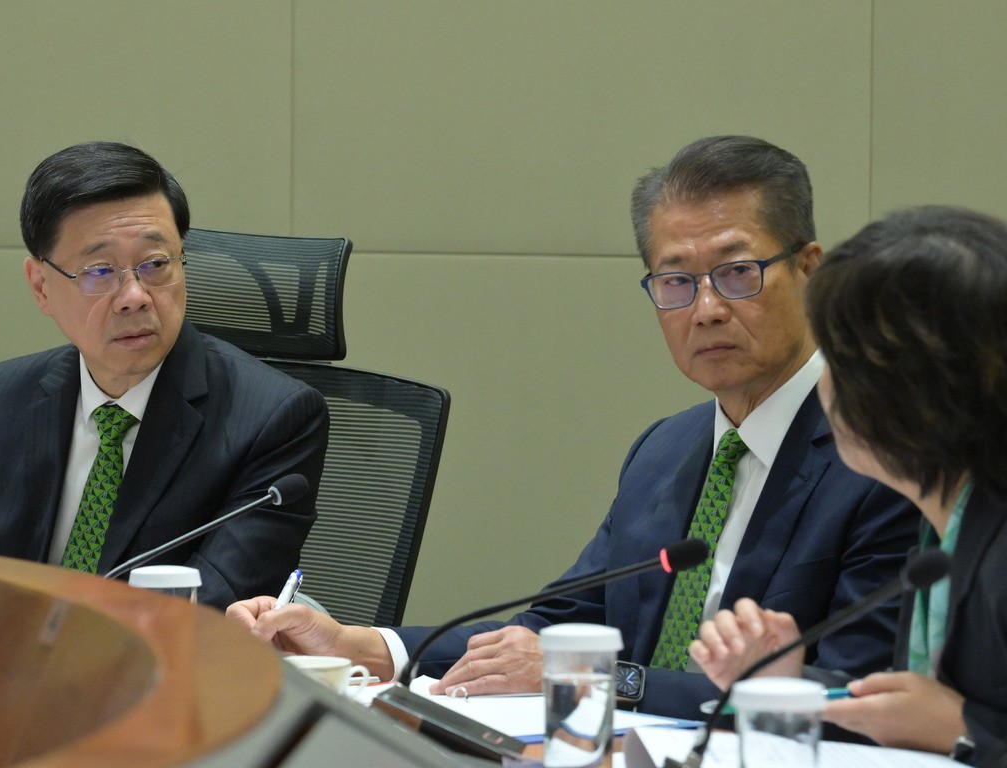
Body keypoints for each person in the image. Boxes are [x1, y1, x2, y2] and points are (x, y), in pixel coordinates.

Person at [226, 135, 919, 720]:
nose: (706, 308)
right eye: (676, 281)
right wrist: (365, 648)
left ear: (810, 271)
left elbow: (854, 696)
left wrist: (602, 679)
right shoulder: (667, 451)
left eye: (737, 273)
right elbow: (550, 631)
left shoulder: (885, 456)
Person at [0, 141, 329, 608]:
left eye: (156, 264)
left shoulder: (272, 419)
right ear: (41, 286)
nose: (134, 296)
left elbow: (213, 610)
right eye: (99, 271)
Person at [691, 206, 1007, 765]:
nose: (824, 384)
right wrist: (794, 686)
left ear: (916, 383)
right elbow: (917, 713)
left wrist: (967, 734)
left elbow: (956, 723)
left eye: (837, 359)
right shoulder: (945, 528)